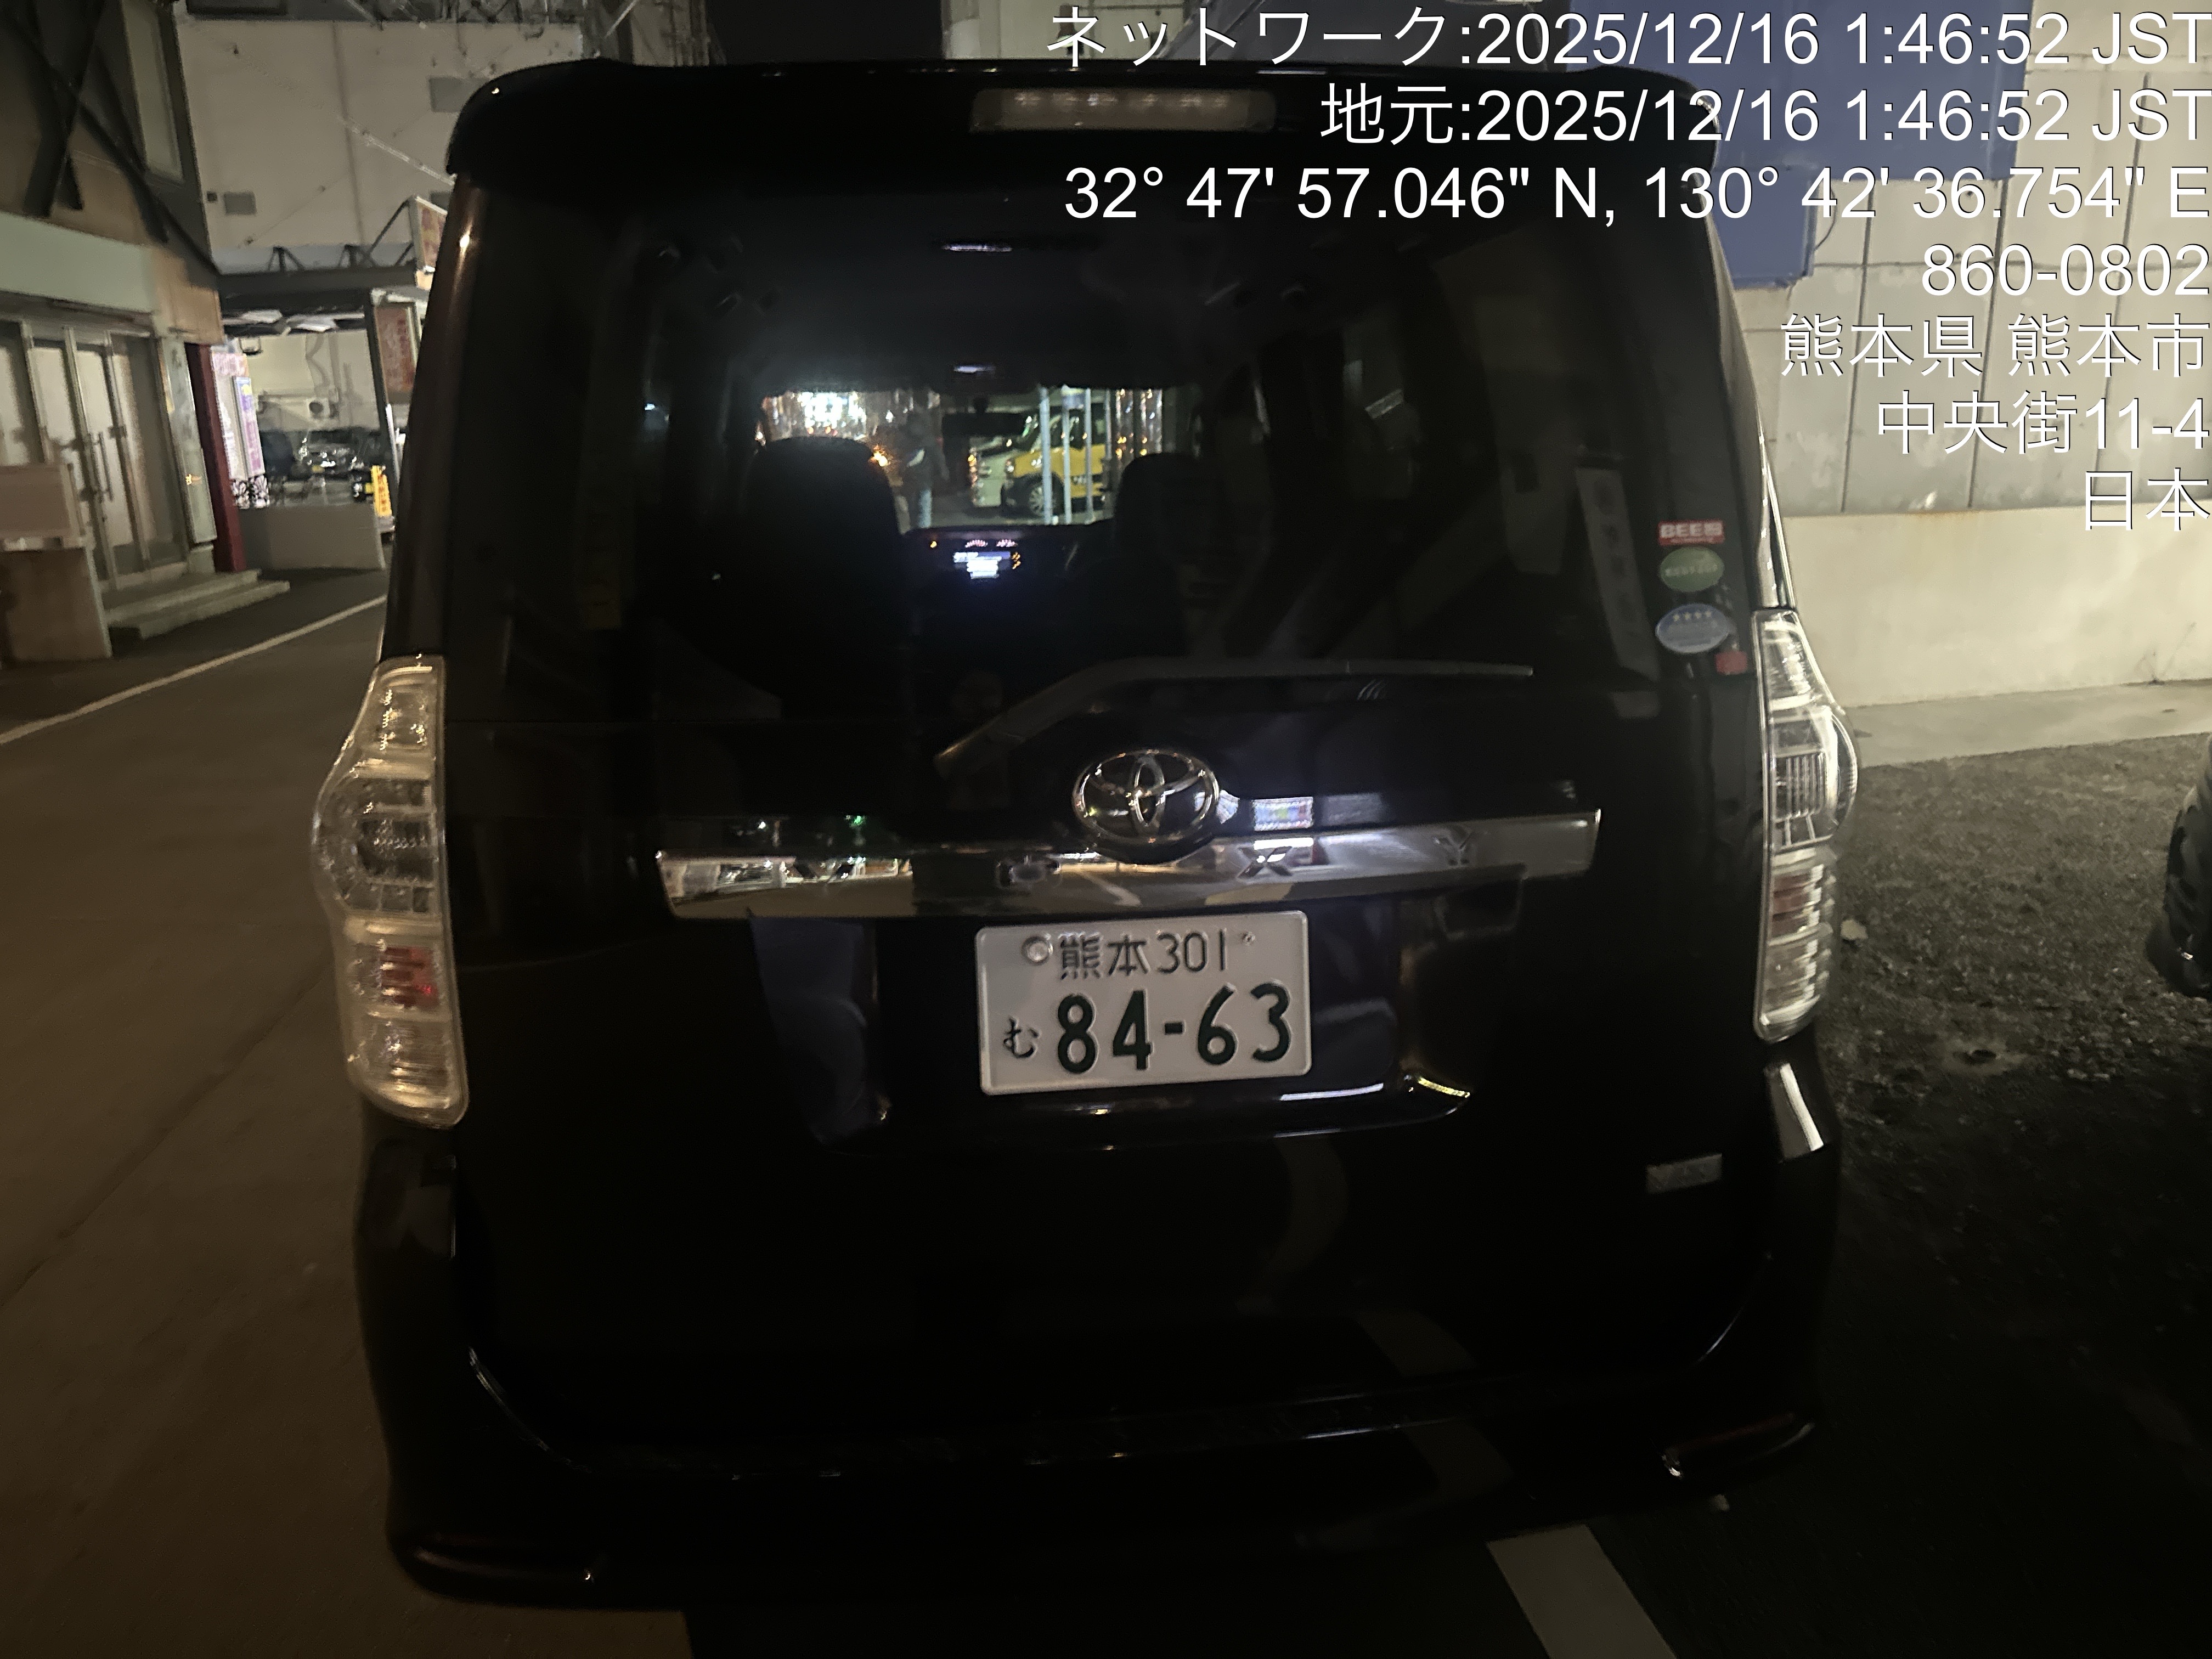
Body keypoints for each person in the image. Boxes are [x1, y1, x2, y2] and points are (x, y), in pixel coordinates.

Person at [896, 407, 947, 530]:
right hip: (925, 480)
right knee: (925, 509)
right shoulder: (928, 438)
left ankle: (915, 532)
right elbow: (938, 458)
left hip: (909, 480)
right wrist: (944, 473)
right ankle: (925, 533)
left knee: (912, 509)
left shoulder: (903, 438)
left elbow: (898, 458)